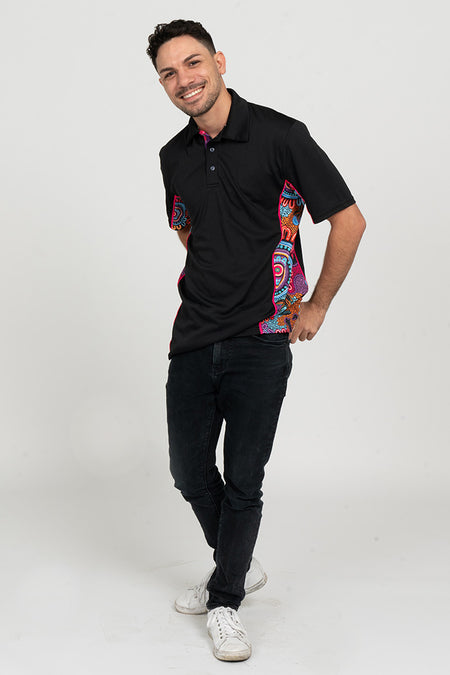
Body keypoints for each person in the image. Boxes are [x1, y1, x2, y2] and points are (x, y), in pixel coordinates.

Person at [146, 19, 366, 662]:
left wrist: (316, 302)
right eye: (168, 73)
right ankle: (237, 564)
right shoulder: (173, 155)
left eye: (192, 63)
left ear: (219, 61)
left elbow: (349, 220)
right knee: (188, 472)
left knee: (244, 480)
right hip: (193, 333)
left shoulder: (281, 135)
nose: (184, 80)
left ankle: (226, 599)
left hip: (264, 337)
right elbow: (188, 229)